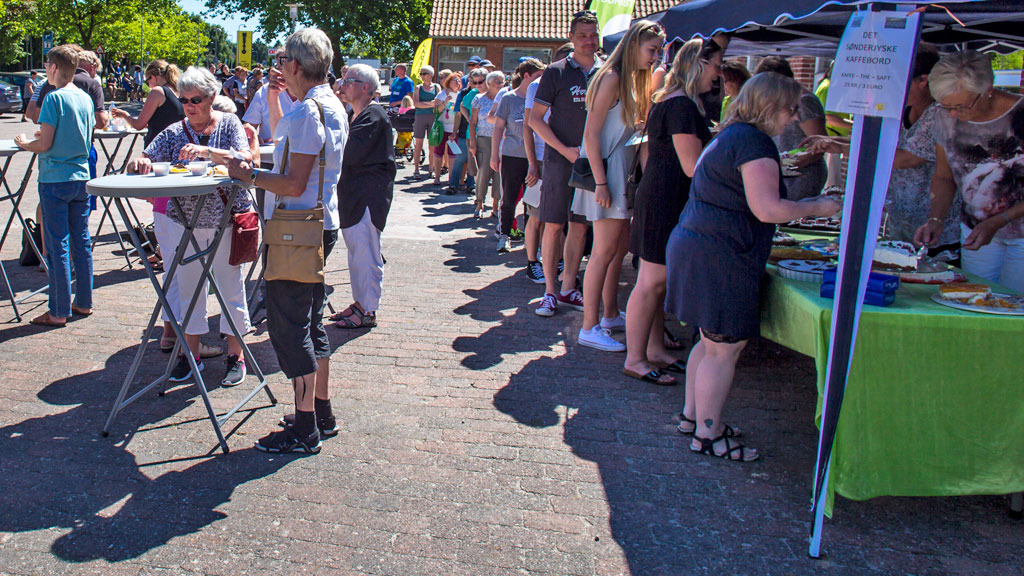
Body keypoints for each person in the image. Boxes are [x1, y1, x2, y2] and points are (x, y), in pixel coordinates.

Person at [665, 72, 842, 461]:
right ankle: (708, 435)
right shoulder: (754, 142)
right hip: (721, 254)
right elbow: (769, 209)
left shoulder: (730, 134)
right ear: (770, 107)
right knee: (723, 350)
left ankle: (694, 419)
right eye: (790, 110)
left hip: (698, 246)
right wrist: (820, 206)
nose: (794, 118)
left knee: (708, 343)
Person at [226, 28, 349, 454]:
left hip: (296, 228)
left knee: (287, 326)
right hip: (320, 223)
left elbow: (293, 183)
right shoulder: (331, 104)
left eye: (281, 61)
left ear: (294, 65)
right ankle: (320, 412)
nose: (278, 68)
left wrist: (249, 175)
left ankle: (304, 429)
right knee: (310, 320)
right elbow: (300, 157)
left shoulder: (307, 111)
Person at [126, 66, 255, 388]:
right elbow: (143, 157)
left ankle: (235, 356)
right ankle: (190, 355)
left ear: (212, 97)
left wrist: (208, 152)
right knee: (189, 292)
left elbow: (245, 161)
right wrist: (140, 162)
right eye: (184, 100)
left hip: (227, 221)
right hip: (185, 223)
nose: (189, 105)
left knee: (230, 289)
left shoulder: (229, 124)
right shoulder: (173, 132)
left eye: (195, 99)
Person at [803, 44, 961, 258]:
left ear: (923, 81)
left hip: (932, 228)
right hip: (900, 222)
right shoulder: (902, 109)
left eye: (897, 81)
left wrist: (843, 147)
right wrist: (835, 141)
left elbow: (905, 158)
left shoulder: (939, 114)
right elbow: (875, 144)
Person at [624, 37, 721, 385]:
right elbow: (693, 165)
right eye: (715, 67)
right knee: (650, 283)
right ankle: (635, 358)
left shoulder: (678, 101)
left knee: (657, 284)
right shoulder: (680, 106)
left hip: (664, 197)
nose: (718, 75)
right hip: (665, 200)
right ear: (698, 64)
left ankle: (654, 350)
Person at [571, 20, 665, 352]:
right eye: (651, 49)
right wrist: (600, 182)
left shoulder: (633, 81)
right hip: (606, 176)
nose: (655, 56)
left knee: (616, 251)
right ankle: (589, 326)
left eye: (658, 50)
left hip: (620, 175)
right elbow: (590, 135)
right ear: (635, 44)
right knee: (603, 253)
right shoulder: (611, 79)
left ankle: (608, 316)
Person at [914, 50, 1024, 294]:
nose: (953, 114)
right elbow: (944, 176)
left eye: (961, 106)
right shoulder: (944, 118)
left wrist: (999, 220)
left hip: (1019, 232)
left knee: (1013, 306)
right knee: (975, 299)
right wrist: (936, 218)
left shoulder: (1019, 115)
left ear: (988, 89)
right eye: (946, 106)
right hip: (977, 229)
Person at [13, 45, 95, 328]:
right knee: (81, 241)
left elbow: (44, 144)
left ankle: (58, 310)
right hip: (81, 177)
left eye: (47, 64)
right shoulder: (84, 97)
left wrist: (25, 144)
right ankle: (84, 302)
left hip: (55, 178)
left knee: (58, 244)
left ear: (54, 67)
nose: (45, 69)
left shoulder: (53, 98)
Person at [531, 9, 602, 318]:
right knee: (554, 224)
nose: (589, 41)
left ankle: (569, 287)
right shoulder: (557, 72)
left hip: (594, 162)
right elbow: (535, 120)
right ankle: (549, 291)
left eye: (593, 34)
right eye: (583, 35)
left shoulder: (607, 71)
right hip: (561, 161)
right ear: (571, 38)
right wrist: (565, 150)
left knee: (580, 226)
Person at [331, 64, 396, 329]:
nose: (342, 85)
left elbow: (346, 152)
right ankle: (360, 302)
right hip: (355, 196)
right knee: (357, 253)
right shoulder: (358, 115)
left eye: (349, 81)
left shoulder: (374, 115)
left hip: (367, 198)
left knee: (367, 254)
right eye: (343, 80)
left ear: (366, 87)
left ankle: (368, 310)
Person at [492, 59, 547, 253]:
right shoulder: (509, 98)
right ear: (526, 76)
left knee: (532, 201)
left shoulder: (543, 98)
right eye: (538, 76)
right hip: (512, 154)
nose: (541, 81)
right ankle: (504, 234)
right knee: (509, 198)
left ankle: (532, 241)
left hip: (537, 157)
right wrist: (494, 155)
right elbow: (498, 128)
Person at [753, 57, 828, 201]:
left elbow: (820, 143)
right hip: (783, 172)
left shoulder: (805, 101)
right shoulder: (782, 99)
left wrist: (791, 163)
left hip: (801, 177)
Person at [110, 60, 184, 146]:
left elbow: (138, 125)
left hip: (159, 147)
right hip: (177, 145)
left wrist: (124, 115)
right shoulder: (178, 91)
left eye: (147, 81)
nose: (148, 85)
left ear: (154, 77)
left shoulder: (158, 92)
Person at [243, 56, 302, 144]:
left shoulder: (313, 92)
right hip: (269, 153)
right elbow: (248, 128)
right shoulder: (264, 91)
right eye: (278, 66)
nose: (279, 72)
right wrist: (253, 137)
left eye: (285, 64)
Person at [469, 71, 504, 219]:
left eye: (502, 81)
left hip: (501, 139)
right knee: (483, 172)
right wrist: (473, 142)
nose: (500, 84)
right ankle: (480, 202)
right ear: (489, 84)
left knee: (499, 174)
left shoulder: (505, 97)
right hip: (484, 139)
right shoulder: (479, 99)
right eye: (496, 81)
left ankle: (495, 206)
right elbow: (473, 122)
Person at [449, 68, 484, 193]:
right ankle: (453, 184)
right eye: (475, 82)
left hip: (480, 133)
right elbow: (458, 113)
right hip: (465, 131)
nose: (477, 85)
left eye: (480, 82)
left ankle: (471, 185)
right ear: (469, 80)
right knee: (460, 158)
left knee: (473, 160)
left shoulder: (485, 93)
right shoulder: (464, 93)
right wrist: (454, 132)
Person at [433, 72, 462, 187]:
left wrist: (455, 130)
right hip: (441, 127)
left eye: (459, 81)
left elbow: (459, 114)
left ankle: (451, 178)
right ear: (448, 81)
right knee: (438, 152)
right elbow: (435, 111)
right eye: (455, 80)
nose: (457, 82)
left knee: (453, 154)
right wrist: (445, 102)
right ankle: (437, 176)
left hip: (454, 128)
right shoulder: (441, 95)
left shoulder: (460, 95)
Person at [411, 65, 439, 179]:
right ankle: (416, 169)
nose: (422, 76)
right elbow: (416, 103)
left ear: (431, 75)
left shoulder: (437, 87)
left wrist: (426, 103)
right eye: (421, 73)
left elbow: (438, 102)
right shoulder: (418, 88)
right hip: (420, 117)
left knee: (432, 145)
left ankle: (431, 169)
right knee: (418, 144)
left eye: (424, 73)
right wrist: (430, 103)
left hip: (433, 117)